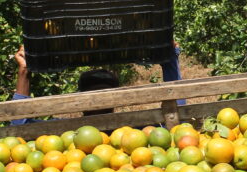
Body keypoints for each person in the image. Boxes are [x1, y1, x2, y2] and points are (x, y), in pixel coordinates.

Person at [11, 44, 183, 124]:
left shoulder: (65, 131)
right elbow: (177, 116)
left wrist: (24, 72)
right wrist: (170, 63)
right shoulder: (134, 131)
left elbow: (19, 125)